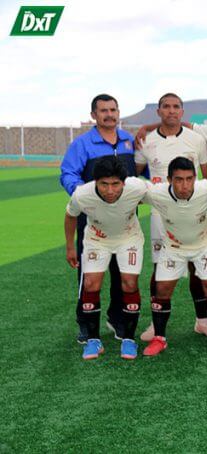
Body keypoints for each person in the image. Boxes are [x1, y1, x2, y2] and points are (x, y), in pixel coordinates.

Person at [134, 93, 207, 342]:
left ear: (182, 111)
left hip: (193, 212)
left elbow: (206, 176)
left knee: (197, 266)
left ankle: (202, 320)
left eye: (176, 107)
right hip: (161, 214)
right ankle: (154, 323)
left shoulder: (196, 139)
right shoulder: (145, 139)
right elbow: (136, 177)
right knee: (159, 266)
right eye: (166, 107)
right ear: (158, 111)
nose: (171, 111)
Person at [60, 94, 136, 343]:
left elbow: (139, 172)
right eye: (103, 110)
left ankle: (117, 319)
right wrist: (87, 196)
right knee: (90, 274)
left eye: (113, 110)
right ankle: (85, 323)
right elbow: (68, 173)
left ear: (118, 112)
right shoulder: (83, 144)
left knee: (121, 271)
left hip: (125, 220)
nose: (109, 114)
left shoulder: (129, 141)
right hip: (92, 220)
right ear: (94, 115)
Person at [143, 157, 207, 357]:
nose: (184, 185)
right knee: (162, 289)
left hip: (204, 245)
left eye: (189, 179)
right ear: (168, 179)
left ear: (195, 178)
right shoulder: (156, 193)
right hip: (173, 247)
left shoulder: (206, 188)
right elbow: (129, 191)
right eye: (179, 179)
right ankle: (159, 338)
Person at [64, 156, 147, 360]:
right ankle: (93, 341)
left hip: (129, 238)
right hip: (97, 240)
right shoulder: (82, 194)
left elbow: (164, 198)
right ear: (95, 182)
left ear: (124, 182)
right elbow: (70, 215)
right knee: (91, 284)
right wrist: (69, 247)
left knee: (129, 283)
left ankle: (128, 339)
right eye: (104, 184)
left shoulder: (137, 187)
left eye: (115, 184)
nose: (110, 191)